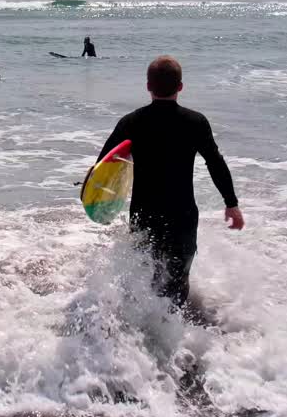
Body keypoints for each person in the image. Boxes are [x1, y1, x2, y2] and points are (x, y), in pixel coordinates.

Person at [96, 55, 243, 309]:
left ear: (148, 87)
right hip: (182, 215)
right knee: (178, 279)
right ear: (181, 87)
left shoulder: (131, 122)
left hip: (144, 213)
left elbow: (104, 166)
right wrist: (231, 203)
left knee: (146, 275)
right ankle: (174, 334)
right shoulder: (195, 122)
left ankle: (141, 333)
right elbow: (215, 163)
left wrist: (99, 202)